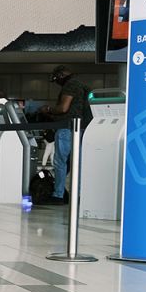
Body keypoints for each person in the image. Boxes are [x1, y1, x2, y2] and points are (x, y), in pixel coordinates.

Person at [37, 65, 91, 206]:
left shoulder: (70, 85)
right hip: (81, 128)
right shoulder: (82, 85)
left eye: (56, 79)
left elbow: (63, 108)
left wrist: (47, 109)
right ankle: (78, 195)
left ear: (61, 75)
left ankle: (58, 195)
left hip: (67, 128)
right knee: (77, 163)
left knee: (60, 162)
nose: (56, 82)